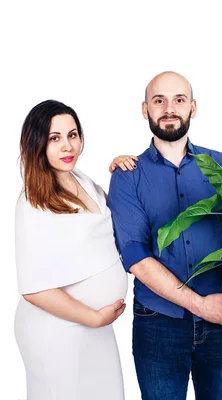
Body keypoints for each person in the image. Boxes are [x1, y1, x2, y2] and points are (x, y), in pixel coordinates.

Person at [107, 71, 222, 400]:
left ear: (193, 107)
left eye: (179, 100)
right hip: (158, 323)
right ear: (145, 109)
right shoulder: (128, 176)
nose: (169, 108)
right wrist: (199, 306)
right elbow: (135, 256)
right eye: (159, 100)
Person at [14, 99, 135, 399]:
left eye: (72, 135)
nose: (67, 146)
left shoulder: (80, 178)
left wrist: (118, 171)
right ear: (36, 143)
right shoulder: (33, 204)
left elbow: (111, 225)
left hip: (94, 327)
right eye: (54, 138)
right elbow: (34, 289)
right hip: (56, 331)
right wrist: (93, 317)